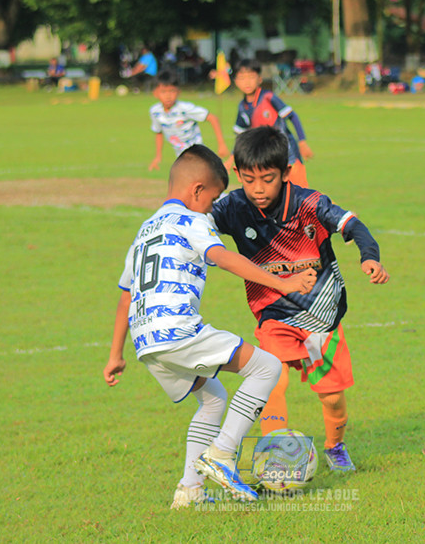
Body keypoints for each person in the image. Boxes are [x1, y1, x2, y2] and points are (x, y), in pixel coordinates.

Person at [105, 144, 316, 508]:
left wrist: (115, 356)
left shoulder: (144, 229)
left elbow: (125, 295)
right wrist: (282, 283)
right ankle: (222, 452)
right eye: (213, 198)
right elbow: (221, 256)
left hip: (146, 342)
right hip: (177, 329)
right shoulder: (193, 220)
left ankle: (189, 492)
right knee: (266, 368)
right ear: (197, 191)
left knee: (213, 398)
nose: (212, 207)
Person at [211, 126, 389, 473]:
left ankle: (335, 446)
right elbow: (195, 225)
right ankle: (276, 457)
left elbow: (353, 226)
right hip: (273, 315)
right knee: (270, 378)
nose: (258, 189)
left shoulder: (310, 204)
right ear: (237, 174)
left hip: (321, 319)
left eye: (267, 178)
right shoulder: (232, 207)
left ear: (286, 172)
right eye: (248, 180)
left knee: (333, 398)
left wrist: (369, 255)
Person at [228, 59, 314, 187]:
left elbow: (292, 116)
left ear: (260, 79)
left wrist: (302, 142)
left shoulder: (268, 97)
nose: (247, 82)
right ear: (235, 81)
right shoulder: (242, 107)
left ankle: (327, 206)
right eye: (242, 78)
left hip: (289, 155)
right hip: (266, 158)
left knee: (301, 195)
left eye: (251, 77)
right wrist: (230, 159)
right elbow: (241, 136)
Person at [147, 70, 230, 171]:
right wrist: (158, 156)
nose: (168, 96)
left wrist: (221, 145)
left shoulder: (185, 108)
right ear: (155, 93)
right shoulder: (155, 111)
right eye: (163, 92)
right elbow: (158, 132)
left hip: (197, 155)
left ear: (178, 91)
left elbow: (212, 118)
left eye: (172, 91)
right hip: (181, 157)